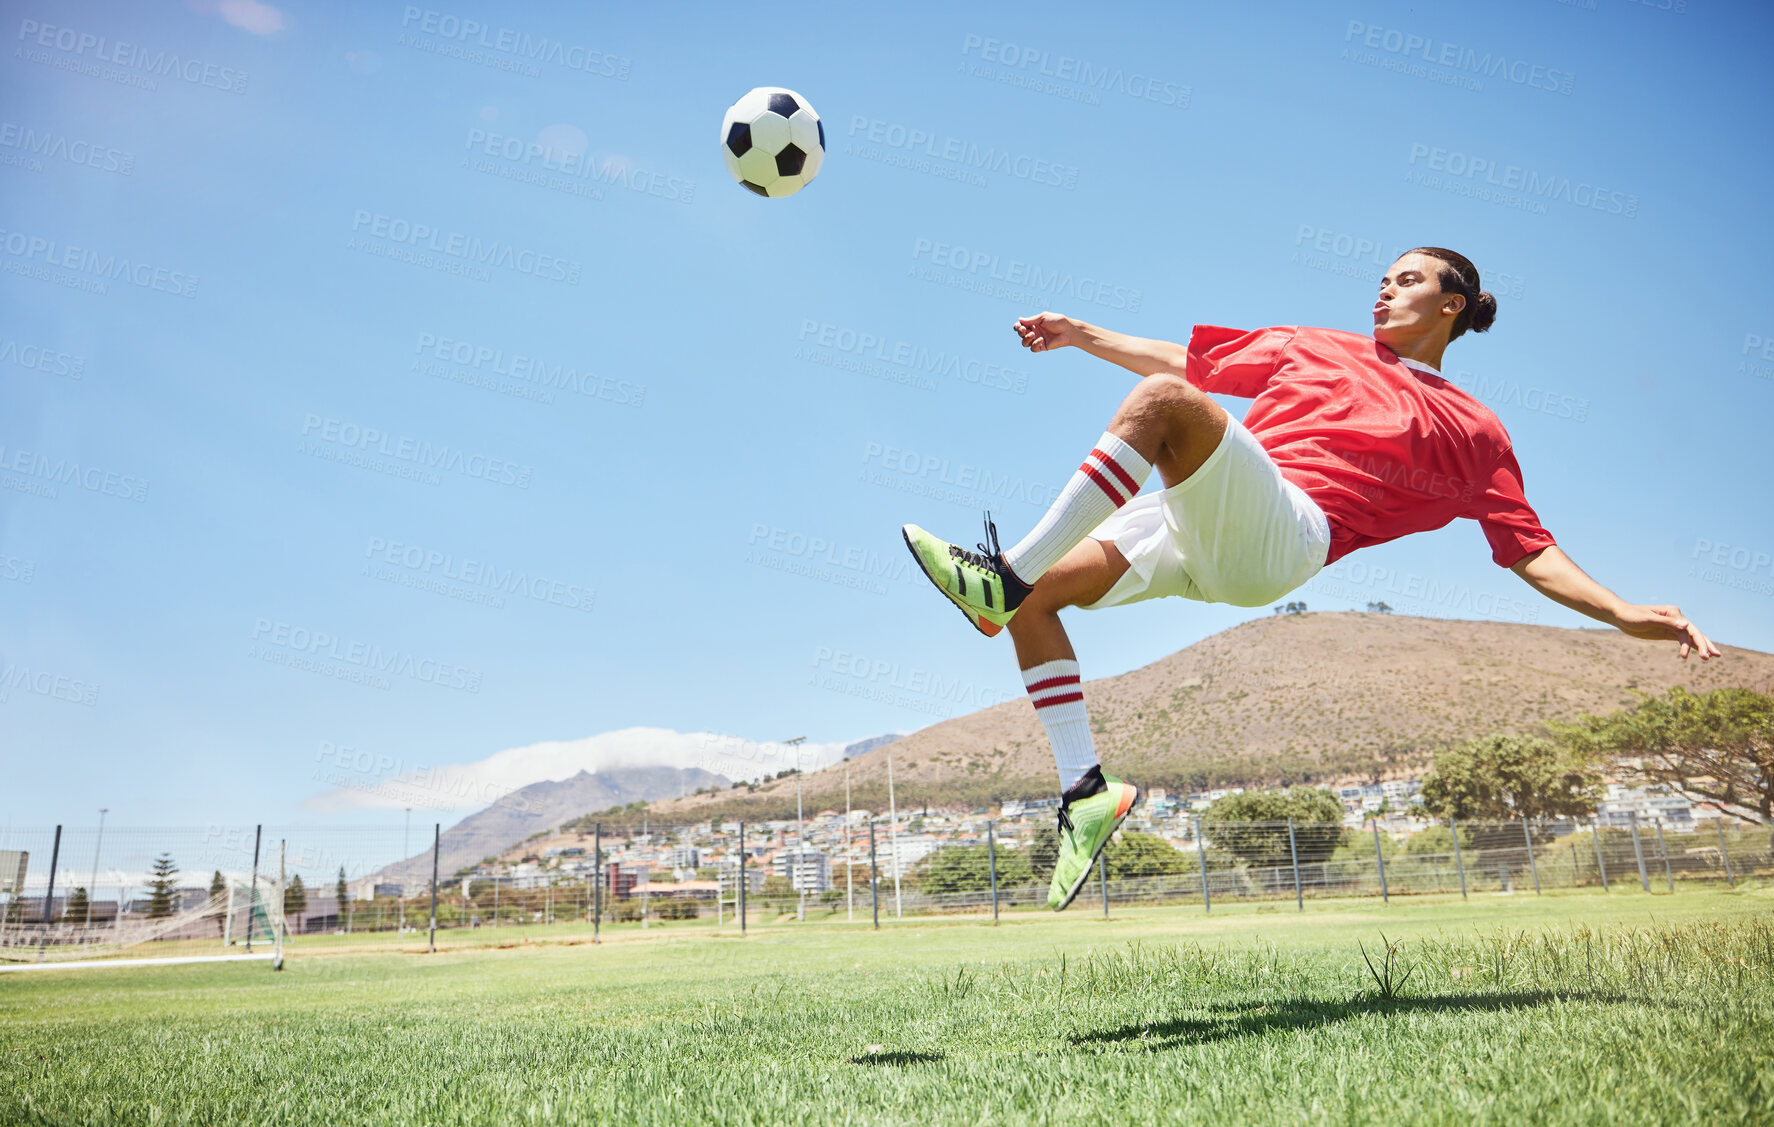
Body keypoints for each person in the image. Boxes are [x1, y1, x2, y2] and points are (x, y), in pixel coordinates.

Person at [901, 247, 1721, 911]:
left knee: (1159, 405)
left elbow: (1529, 547)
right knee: (1042, 599)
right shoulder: (1318, 345)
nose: (1383, 291)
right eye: (1381, 279)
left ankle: (1002, 575)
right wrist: (1084, 334)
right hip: (1198, 518)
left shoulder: (1474, 430)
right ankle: (1085, 790)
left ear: (1453, 305)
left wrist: (1621, 612)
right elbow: (1193, 361)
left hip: (1287, 535)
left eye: (1406, 281)